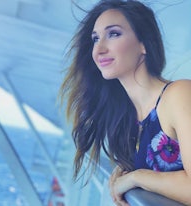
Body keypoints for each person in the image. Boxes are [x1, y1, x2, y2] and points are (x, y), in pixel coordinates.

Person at [60, 0, 191, 205]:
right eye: (95, 39)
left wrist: (136, 177)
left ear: (143, 44)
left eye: (113, 34)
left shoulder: (178, 95)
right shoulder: (129, 117)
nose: (99, 49)